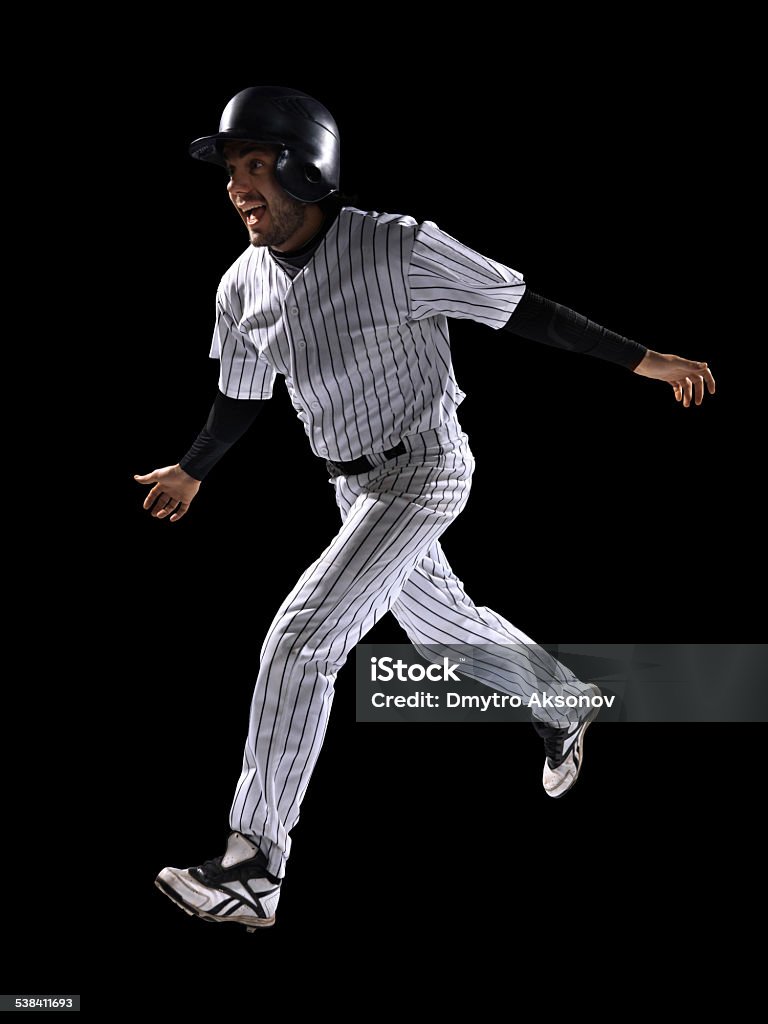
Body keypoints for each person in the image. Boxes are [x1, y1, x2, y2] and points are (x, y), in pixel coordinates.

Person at [136, 86, 716, 932]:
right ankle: (560, 698)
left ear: (307, 167)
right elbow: (238, 398)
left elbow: (529, 313)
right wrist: (194, 471)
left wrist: (647, 361)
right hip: (352, 489)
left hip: (425, 469)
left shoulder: (397, 247)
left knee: (301, 640)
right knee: (444, 632)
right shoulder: (240, 286)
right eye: (231, 171)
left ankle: (254, 865)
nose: (237, 187)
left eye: (254, 166)